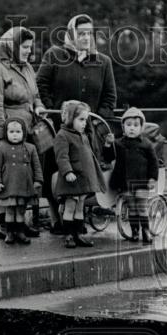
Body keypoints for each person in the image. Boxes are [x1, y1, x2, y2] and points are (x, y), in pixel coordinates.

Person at [36, 14, 117, 233]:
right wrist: (54, 114)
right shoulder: (55, 55)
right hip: (58, 129)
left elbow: (109, 96)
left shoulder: (102, 62)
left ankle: (75, 219)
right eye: (80, 33)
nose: (85, 37)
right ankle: (56, 219)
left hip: (86, 131)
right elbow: (41, 84)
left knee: (82, 171)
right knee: (55, 170)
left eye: (89, 33)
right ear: (71, 33)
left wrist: (97, 121)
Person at [0, 26, 48, 240]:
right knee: (4, 175)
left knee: (21, 176)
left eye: (30, 47)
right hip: (6, 134)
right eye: (24, 47)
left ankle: (19, 223)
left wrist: (38, 105)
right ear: (11, 46)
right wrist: (3, 138)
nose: (29, 51)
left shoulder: (27, 68)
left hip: (25, 132)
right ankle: (5, 225)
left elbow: (34, 94)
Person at [52, 100, 105, 249]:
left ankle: (78, 234)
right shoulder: (63, 135)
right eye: (81, 120)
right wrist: (67, 171)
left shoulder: (83, 135)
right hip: (72, 178)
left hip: (83, 178)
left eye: (86, 120)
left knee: (80, 206)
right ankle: (68, 235)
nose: (84, 123)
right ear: (70, 118)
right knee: (70, 206)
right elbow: (62, 156)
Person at [107, 107, 159, 244]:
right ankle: (135, 231)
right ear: (123, 127)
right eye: (128, 125)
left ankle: (146, 231)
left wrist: (153, 178)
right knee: (132, 207)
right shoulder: (118, 143)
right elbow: (109, 157)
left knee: (142, 206)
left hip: (142, 181)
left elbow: (154, 162)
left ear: (141, 127)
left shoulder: (146, 144)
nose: (132, 128)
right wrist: (108, 144)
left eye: (136, 125)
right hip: (125, 181)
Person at [0, 118, 43, 246]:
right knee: (9, 210)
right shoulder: (0, 149)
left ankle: (20, 232)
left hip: (24, 185)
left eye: (18, 132)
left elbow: (37, 166)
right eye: (11, 131)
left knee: (20, 210)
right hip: (8, 186)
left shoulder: (30, 148)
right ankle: (9, 233)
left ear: (23, 133)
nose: (15, 134)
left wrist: (38, 180)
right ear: (6, 133)